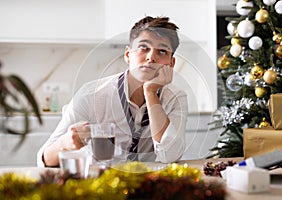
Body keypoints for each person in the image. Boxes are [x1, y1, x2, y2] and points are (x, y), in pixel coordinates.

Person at [37, 16, 188, 167]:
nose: (151, 57)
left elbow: (169, 155)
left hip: (146, 184)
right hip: (98, 183)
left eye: (162, 51)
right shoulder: (91, 96)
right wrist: (66, 142)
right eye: (144, 48)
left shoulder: (175, 98)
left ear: (171, 63)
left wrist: (150, 92)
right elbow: (44, 159)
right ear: (128, 55)